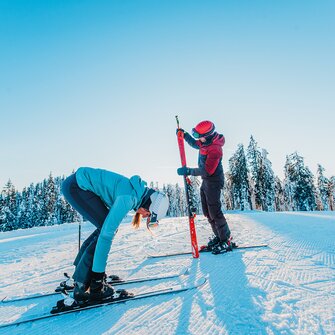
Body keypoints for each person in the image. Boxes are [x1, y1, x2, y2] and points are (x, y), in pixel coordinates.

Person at [61, 167, 169, 303]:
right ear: (150, 205)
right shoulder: (128, 197)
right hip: (77, 187)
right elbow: (106, 236)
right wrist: (98, 280)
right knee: (105, 232)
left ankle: (81, 276)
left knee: (103, 228)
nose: (143, 216)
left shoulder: (135, 192)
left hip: (77, 185)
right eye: (148, 214)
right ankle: (85, 285)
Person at [176, 120, 231, 254]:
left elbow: (208, 170)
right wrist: (185, 135)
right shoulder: (205, 142)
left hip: (214, 181)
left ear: (206, 135)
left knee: (215, 212)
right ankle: (218, 236)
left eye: (198, 135)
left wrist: (189, 171)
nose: (198, 139)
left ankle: (226, 240)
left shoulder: (215, 148)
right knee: (207, 212)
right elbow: (196, 144)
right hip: (206, 181)